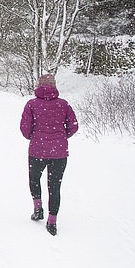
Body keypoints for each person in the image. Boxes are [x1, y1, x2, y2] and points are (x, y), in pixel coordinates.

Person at [19, 73, 78, 236]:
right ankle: (52, 222)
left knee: (34, 179)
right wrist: (61, 136)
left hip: (37, 150)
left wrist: (35, 137)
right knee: (55, 186)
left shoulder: (32, 105)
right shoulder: (63, 105)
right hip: (59, 153)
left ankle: (38, 209)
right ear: (54, 86)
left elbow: (25, 129)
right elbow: (73, 126)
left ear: (39, 86)